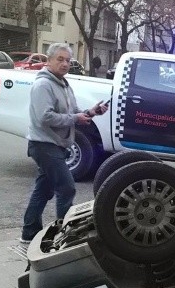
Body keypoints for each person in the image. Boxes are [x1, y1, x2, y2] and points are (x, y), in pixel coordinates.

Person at [19, 43, 109, 244]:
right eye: (60, 59)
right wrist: (76, 118)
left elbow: (73, 111)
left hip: (57, 144)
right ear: (49, 61)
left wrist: (91, 111)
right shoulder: (43, 85)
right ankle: (66, 236)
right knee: (67, 188)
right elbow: (45, 117)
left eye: (68, 60)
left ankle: (29, 233)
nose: (65, 64)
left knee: (43, 190)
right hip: (44, 144)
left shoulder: (63, 84)